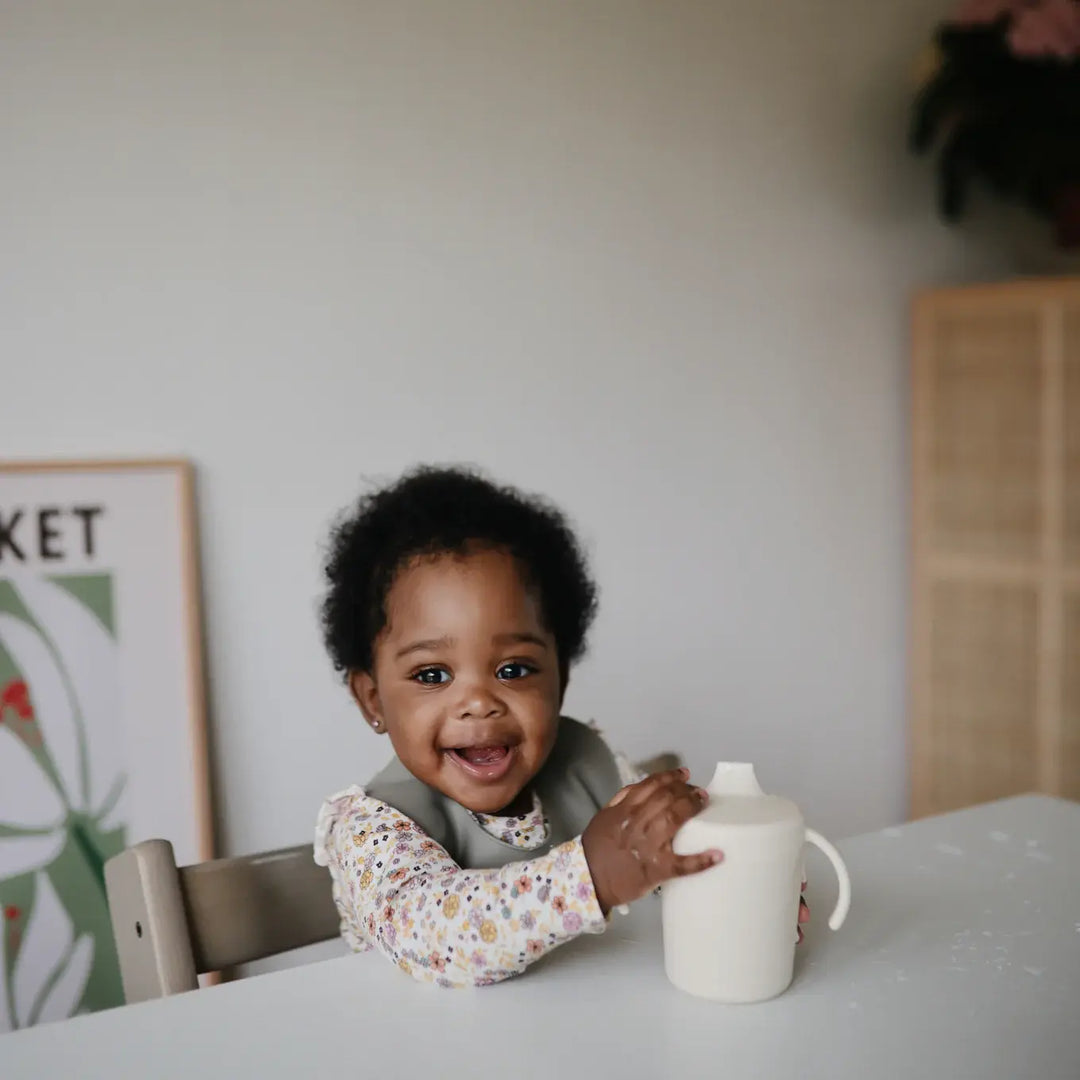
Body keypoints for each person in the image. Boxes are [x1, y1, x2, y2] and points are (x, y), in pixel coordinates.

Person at [314, 466, 807, 987]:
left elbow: (654, 859)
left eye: (514, 670)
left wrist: (731, 880)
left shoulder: (586, 763)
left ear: (560, 680)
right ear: (374, 700)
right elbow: (437, 936)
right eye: (432, 675)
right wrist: (591, 875)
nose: (479, 702)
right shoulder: (372, 829)